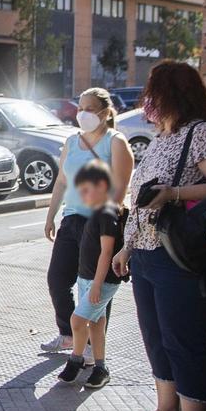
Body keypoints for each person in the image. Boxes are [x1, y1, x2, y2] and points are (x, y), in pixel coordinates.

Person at [111, 61, 206, 411]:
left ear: (172, 94)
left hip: (182, 258)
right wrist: (127, 246)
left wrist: (175, 192)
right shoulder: (160, 137)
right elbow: (141, 203)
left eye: (153, 92)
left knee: (185, 341)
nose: (146, 102)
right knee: (157, 338)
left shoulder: (201, 134)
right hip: (148, 255)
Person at [42, 87, 134, 359]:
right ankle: (69, 334)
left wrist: (108, 224)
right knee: (58, 279)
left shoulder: (115, 142)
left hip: (99, 224)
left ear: (105, 113)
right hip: (71, 220)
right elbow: (61, 181)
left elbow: (120, 188)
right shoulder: (72, 141)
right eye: (80, 108)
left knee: (95, 286)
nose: (82, 114)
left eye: (89, 109)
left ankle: (95, 348)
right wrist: (51, 216)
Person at [58, 160, 123, 389]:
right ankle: (100, 367)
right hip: (88, 278)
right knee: (96, 324)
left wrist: (96, 284)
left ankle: (76, 360)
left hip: (101, 281)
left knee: (76, 320)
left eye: (86, 190)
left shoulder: (107, 213)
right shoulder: (95, 212)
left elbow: (107, 252)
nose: (83, 195)